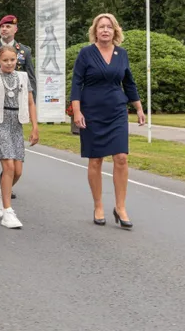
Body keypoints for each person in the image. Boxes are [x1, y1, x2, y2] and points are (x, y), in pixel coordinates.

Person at [71, 13, 145, 229]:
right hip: (92, 111)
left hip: (117, 111)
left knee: (121, 157)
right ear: (95, 31)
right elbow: (76, 84)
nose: (105, 30)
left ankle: (120, 207)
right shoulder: (86, 54)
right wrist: (77, 112)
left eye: (109, 27)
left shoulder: (121, 54)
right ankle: (98, 205)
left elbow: (129, 82)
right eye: (101, 27)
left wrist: (138, 107)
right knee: (96, 160)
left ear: (115, 31)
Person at [0, 46, 39, 229]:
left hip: (17, 123)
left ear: (17, 60)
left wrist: (35, 127)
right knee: (8, 166)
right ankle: (8, 211)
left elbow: (30, 102)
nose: (9, 63)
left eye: (12, 60)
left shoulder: (23, 77)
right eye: (5, 60)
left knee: (18, 170)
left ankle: (1, 193)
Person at [0, 15, 36, 198]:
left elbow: (30, 79)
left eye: (9, 26)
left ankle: (5, 183)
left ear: (15, 29)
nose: (5, 29)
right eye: (2, 26)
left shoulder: (24, 52)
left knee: (14, 162)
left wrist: (29, 107)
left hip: (15, 110)